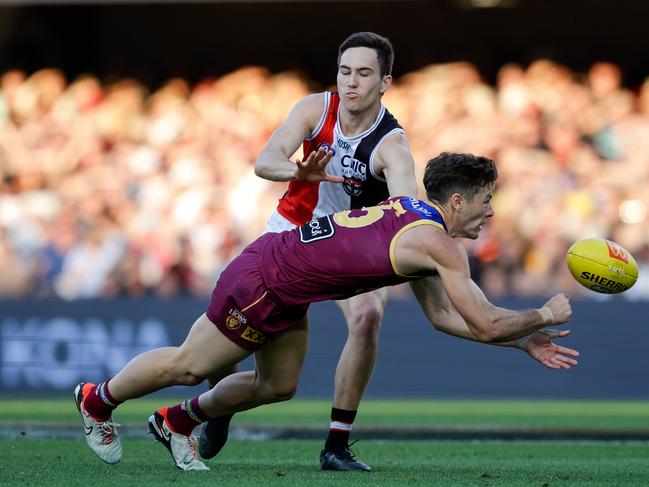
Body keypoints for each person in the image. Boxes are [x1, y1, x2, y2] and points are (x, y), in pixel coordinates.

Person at [74, 152, 577, 471]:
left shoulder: (418, 223)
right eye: (487, 201)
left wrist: (521, 337)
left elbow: (449, 319)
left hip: (286, 284)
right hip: (264, 281)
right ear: (460, 200)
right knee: (189, 364)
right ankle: (98, 400)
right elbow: (486, 323)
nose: (491, 212)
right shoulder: (439, 246)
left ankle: (176, 421)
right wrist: (544, 314)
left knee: (277, 386)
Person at [199, 31, 419, 472]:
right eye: (344, 72)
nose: (351, 82)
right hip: (290, 239)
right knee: (229, 348)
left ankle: (336, 445)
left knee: (369, 315)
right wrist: (300, 170)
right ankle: (216, 407)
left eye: (363, 74)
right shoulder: (315, 109)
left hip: (351, 248)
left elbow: (404, 209)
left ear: (385, 82)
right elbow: (265, 161)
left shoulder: (393, 144)